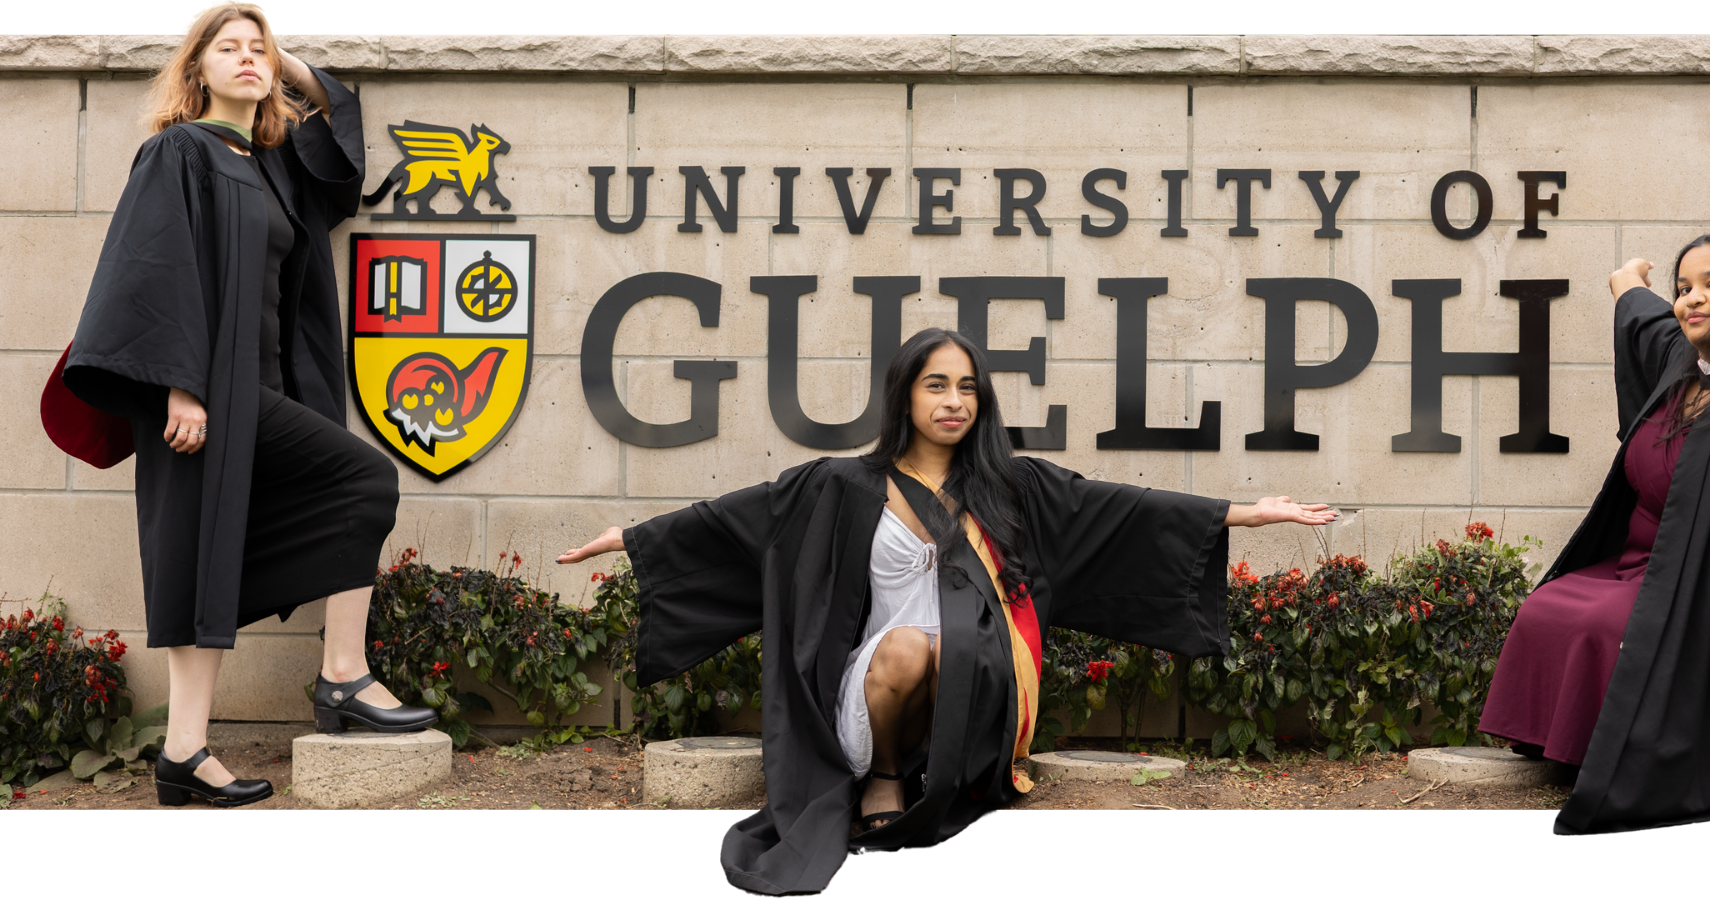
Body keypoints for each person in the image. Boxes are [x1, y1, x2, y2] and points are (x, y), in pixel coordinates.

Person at [558, 328, 1337, 894]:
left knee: (950, 648)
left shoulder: (1010, 487)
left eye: (967, 387)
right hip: (884, 679)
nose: (954, 401)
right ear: (905, 394)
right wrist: (631, 537)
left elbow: (1121, 511)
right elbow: (736, 520)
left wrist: (1246, 514)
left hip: (982, 688)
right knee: (907, 647)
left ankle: (954, 769)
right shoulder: (841, 486)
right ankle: (884, 776)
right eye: (937, 385)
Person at [44, 2, 432, 809]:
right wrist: (178, 384)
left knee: (248, 543)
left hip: (265, 394)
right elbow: (153, 267)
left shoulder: (272, 164)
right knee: (340, 491)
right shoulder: (177, 152)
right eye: (230, 49)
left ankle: (205, 743)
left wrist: (280, 64)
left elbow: (343, 158)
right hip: (205, 395)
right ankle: (324, 685)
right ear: (196, 72)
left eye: (261, 50)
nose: (250, 59)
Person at [1477, 232, 1710, 834]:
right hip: (1637, 563)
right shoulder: (1680, 368)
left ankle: (1625, 760)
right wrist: (1627, 282)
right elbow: (1644, 323)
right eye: (1683, 288)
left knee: (1607, 627)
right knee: (1549, 606)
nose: (1691, 301)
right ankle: (1575, 749)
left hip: (1703, 586)